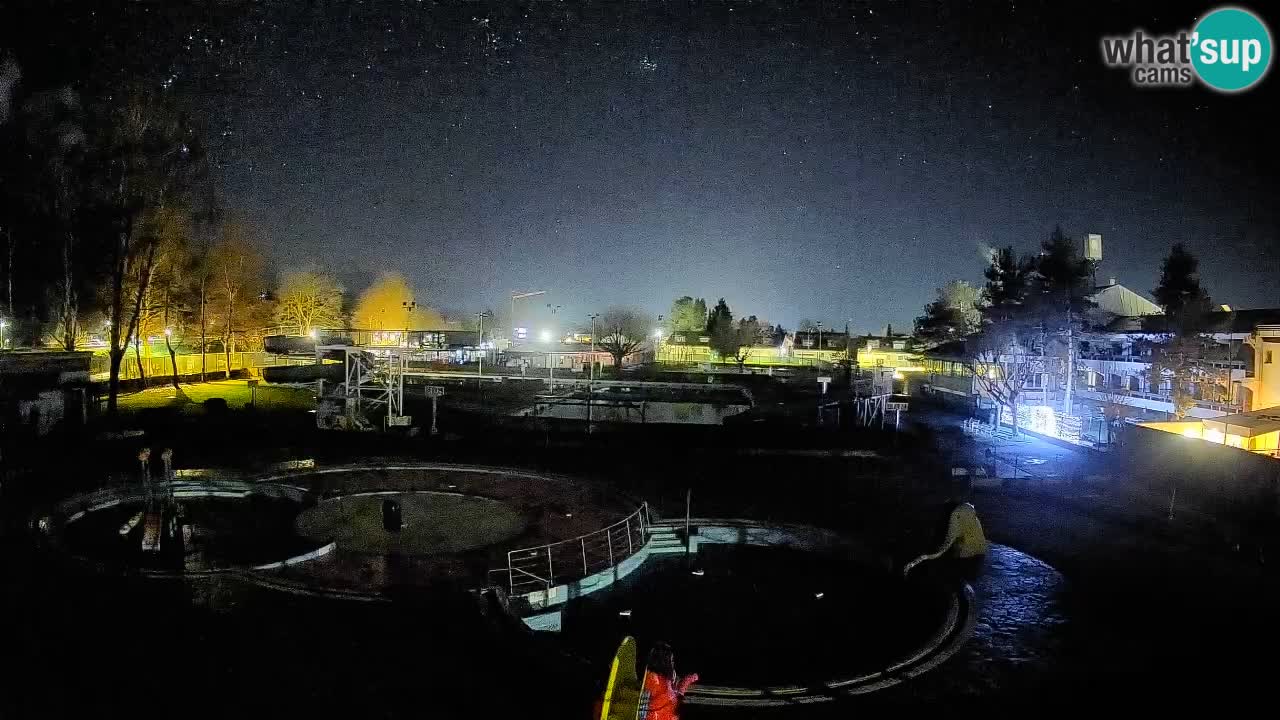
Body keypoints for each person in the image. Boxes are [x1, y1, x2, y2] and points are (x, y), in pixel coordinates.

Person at [638, 641, 698, 720]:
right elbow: (676, 697)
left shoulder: (658, 679)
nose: (672, 664)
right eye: (671, 661)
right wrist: (688, 680)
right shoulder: (656, 680)